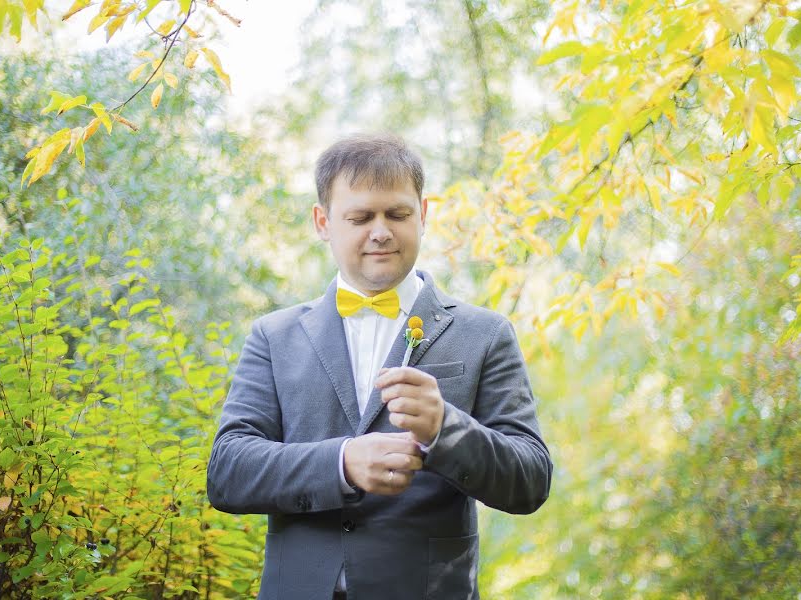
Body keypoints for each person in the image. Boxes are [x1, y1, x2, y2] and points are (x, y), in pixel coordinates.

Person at [207, 133, 553, 600]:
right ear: (323, 222)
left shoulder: (485, 334)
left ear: (424, 215)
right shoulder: (274, 336)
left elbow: (530, 481)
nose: (381, 231)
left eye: (398, 214)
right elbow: (228, 472)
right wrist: (341, 463)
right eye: (360, 217)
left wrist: (444, 428)